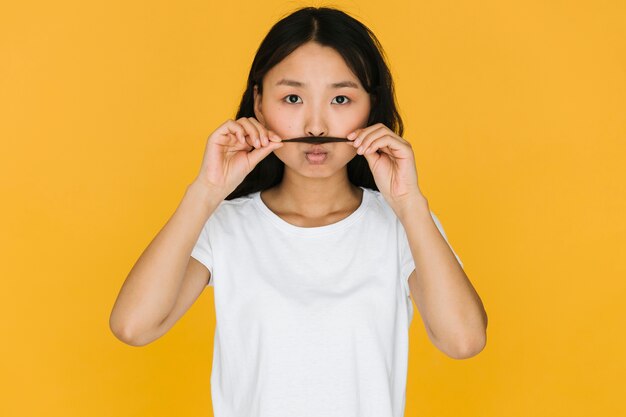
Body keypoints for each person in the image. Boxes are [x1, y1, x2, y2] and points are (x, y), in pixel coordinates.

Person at [110, 6, 488, 417]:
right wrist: (206, 192)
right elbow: (134, 327)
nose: (314, 124)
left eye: (341, 98)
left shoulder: (402, 226)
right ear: (259, 103)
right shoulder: (225, 226)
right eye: (292, 97)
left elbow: (463, 341)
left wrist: (410, 203)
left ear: (370, 108)